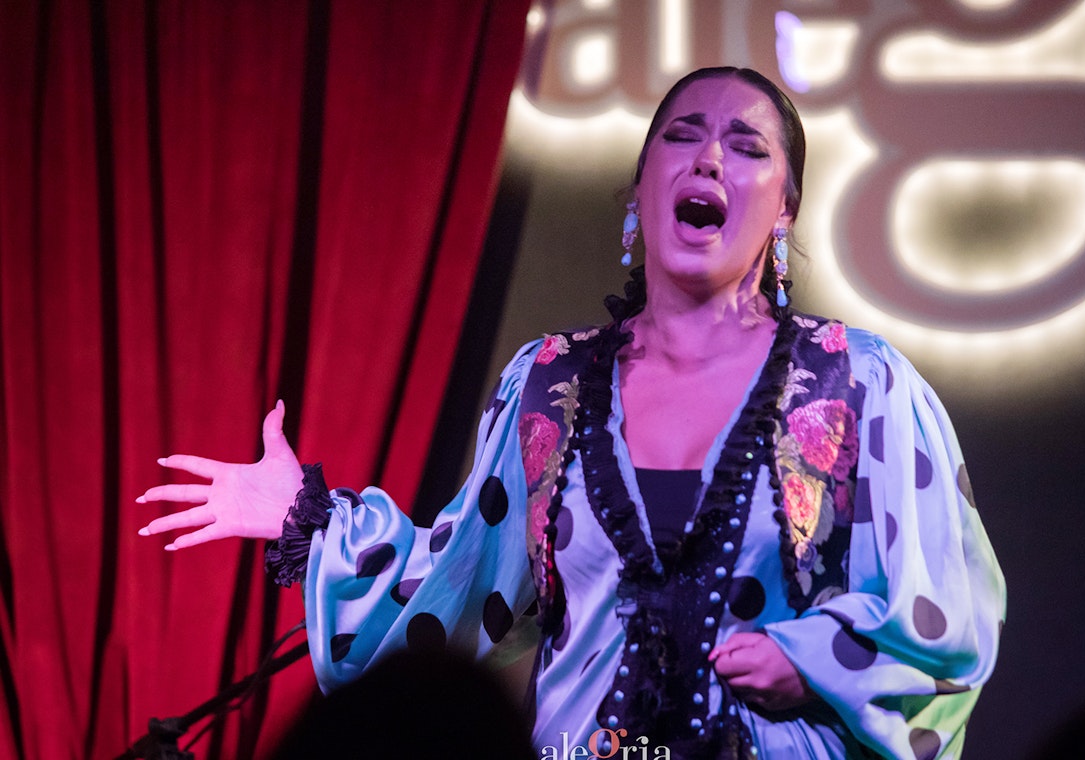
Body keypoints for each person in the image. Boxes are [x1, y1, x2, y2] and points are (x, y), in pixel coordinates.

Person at [138, 67, 1005, 759]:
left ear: (783, 212)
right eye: (681, 135)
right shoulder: (551, 384)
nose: (707, 158)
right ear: (639, 192)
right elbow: (459, 594)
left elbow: (947, 616)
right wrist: (306, 515)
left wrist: (811, 661)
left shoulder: (861, 384)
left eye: (745, 147)